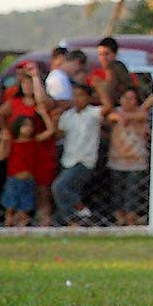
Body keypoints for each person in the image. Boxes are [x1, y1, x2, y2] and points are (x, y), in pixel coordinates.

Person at [53, 84, 103, 227]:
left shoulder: (93, 112)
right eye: (74, 95)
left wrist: (101, 88)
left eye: (81, 95)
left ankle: (80, 212)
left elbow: (107, 108)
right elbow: (59, 135)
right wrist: (55, 121)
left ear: (88, 97)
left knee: (59, 187)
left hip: (85, 160)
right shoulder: (67, 115)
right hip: (68, 159)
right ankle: (74, 221)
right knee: (69, 190)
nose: (77, 99)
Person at [0, 111, 55, 227]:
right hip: (14, 180)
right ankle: (8, 226)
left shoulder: (34, 141)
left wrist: (44, 114)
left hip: (29, 180)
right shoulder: (13, 143)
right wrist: (3, 141)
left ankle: (20, 227)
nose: (28, 128)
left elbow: (50, 131)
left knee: (24, 210)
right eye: (25, 125)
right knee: (10, 207)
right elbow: (1, 156)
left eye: (30, 125)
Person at [106, 86, 150, 226]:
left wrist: (127, 117)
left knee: (133, 192)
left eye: (131, 98)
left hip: (136, 160)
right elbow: (110, 117)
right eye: (125, 97)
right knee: (117, 191)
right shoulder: (115, 113)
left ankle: (131, 218)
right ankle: (119, 218)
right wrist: (121, 116)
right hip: (117, 159)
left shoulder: (141, 114)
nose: (128, 101)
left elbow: (143, 116)